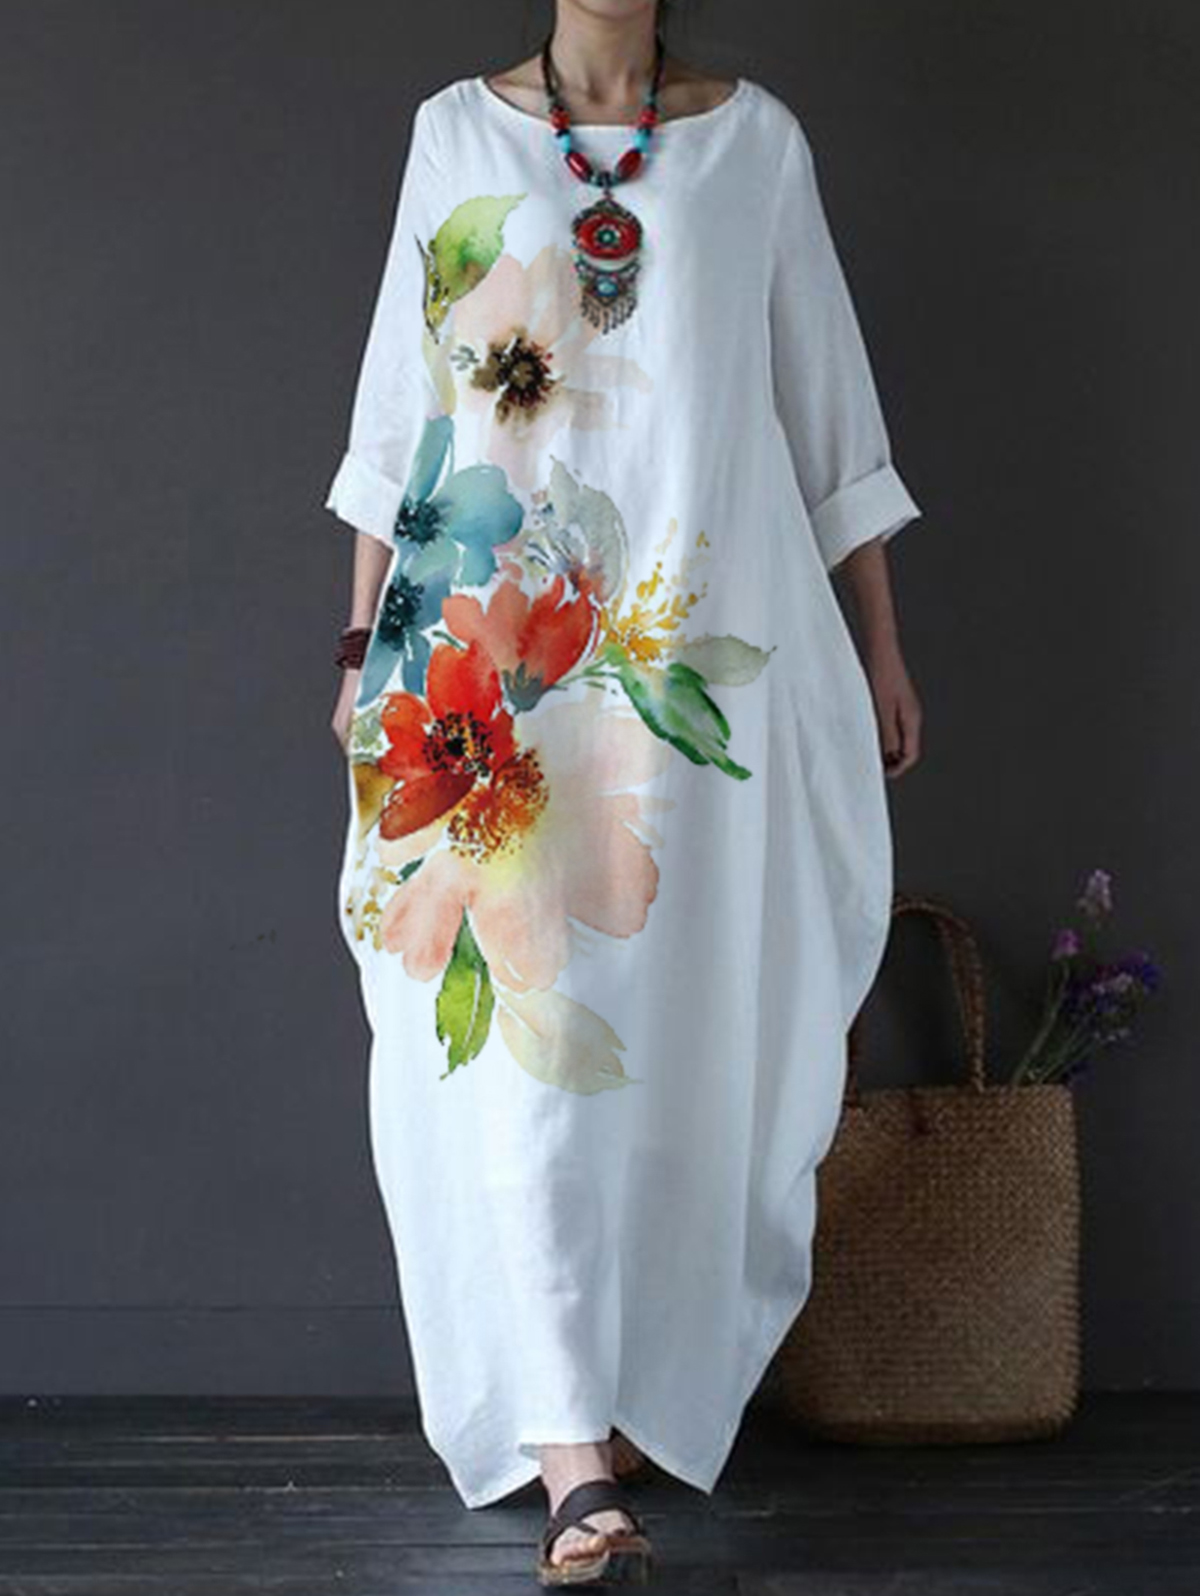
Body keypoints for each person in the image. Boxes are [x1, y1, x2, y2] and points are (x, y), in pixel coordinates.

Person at [324, 0, 924, 1582]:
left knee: (673, 1039)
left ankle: (620, 1385)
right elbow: (402, 405)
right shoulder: (455, 136)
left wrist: (879, 644)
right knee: (520, 1042)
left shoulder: (755, 148)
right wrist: (360, 644)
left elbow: (826, 414)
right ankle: (571, 1456)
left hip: (688, 660)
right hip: (488, 670)